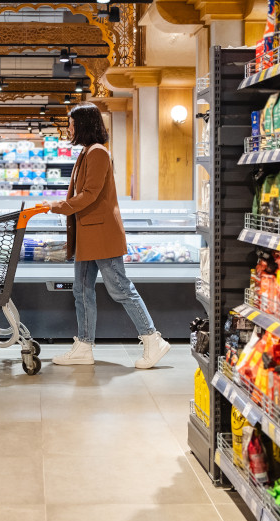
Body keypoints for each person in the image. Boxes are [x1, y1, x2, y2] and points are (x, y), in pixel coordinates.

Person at [45, 103, 170, 368]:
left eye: (72, 123)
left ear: (84, 125)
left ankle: (152, 339)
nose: (69, 128)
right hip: (89, 235)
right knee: (81, 290)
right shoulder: (87, 152)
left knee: (120, 289)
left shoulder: (98, 153)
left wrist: (59, 206)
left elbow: (90, 195)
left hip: (101, 235)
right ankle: (84, 346)